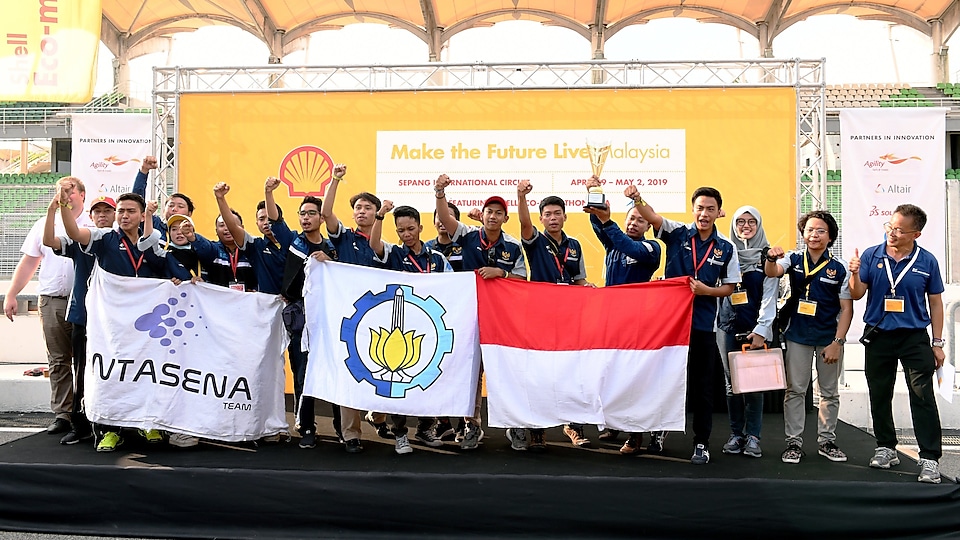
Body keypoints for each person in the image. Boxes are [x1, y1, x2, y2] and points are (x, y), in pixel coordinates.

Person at [629, 185, 740, 464]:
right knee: (662, 381)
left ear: (718, 213)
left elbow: (729, 287)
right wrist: (636, 199)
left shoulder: (726, 247)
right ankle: (657, 432)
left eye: (710, 209)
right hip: (669, 324)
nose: (704, 214)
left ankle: (701, 442)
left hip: (702, 326)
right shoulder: (677, 233)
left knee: (702, 388)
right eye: (700, 208)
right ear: (693, 209)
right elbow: (651, 217)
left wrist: (707, 291)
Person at [60, 189, 166, 452]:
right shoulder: (105, 237)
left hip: (142, 325)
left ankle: (148, 421)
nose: (124, 215)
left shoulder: (151, 242)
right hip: (109, 326)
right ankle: (108, 430)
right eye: (121, 211)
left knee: (145, 371)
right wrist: (62, 205)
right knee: (109, 374)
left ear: (143, 215)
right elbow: (74, 234)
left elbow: (169, 268)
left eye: (131, 211)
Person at [848, 204, 945, 484]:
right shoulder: (871, 254)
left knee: (922, 396)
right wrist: (854, 273)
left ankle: (929, 458)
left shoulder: (927, 261)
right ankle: (885, 447)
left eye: (900, 229)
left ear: (916, 234)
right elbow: (856, 294)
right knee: (879, 392)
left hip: (914, 337)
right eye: (890, 226)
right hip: (878, 335)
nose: (893, 233)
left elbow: (936, 303)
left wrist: (937, 342)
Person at [435, 173, 527, 450]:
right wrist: (439, 193)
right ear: (483, 214)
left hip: (501, 319)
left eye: (499, 213)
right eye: (489, 211)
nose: (493, 216)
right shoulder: (466, 235)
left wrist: (501, 272)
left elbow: (523, 281)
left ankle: (515, 425)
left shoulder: (512, 246)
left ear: (504, 219)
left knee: (506, 372)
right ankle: (471, 426)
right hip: (469, 317)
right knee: (470, 373)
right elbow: (447, 219)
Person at [3, 177, 91, 438]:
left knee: (86, 360)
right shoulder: (44, 224)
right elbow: (29, 262)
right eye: (59, 192)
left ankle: (85, 411)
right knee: (58, 360)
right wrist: (12, 293)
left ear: (82, 195)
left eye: (70, 191)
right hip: (52, 299)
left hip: (84, 301)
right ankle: (62, 414)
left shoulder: (93, 224)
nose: (64, 196)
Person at [764, 210, 852, 465]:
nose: (814, 235)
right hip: (798, 335)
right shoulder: (793, 257)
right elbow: (772, 272)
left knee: (829, 392)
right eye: (810, 230)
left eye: (821, 230)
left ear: (831, 236)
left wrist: (838, 342)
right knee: (795, 390)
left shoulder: (840, 267)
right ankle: (794, 442)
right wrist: (770, 258)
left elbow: (847, 308)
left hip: (828, 337)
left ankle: (826, 441)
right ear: (803, 233)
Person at [319, 164, 397, 450]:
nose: (361, 211)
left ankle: (377, 414)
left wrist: (381, 217)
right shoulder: (344, 236)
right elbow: (326, 214)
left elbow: (378, 249)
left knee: (384, 366)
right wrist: (335, 180)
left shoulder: (383, 244)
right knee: (349, 371)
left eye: (368, 208)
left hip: (377, 316)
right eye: (358, 208)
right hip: (347, 315)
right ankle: (351, 433)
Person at [583, 178, 663, 455]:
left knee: (633, 377)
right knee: (610, 372)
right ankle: (614, 423)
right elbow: (600, 228)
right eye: (630, 218)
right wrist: (593, 195)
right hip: (610, 319)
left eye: (640, 220)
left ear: (648, 226)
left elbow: (629, 246)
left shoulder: (652, 249)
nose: (634, 223)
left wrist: (607, 222)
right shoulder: (613, 244)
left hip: (637, 323)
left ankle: (637, 434)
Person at [508, 179, 589, 453]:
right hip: (540, 315)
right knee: (539, 372)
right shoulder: (534, 241)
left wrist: (587, 289)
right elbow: (523, 225)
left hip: (568, 316)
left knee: (571, 371)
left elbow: (579, 280)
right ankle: (537, 430)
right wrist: (521, 197)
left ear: (565, 216)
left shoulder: (575, 245)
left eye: (557, 213)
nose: (553, 218)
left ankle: (573, 426)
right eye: (547, 214)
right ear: (541, 218)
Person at [375, 204, 453, 454]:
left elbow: (453, 287)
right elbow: (374, 246)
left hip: (430, 328)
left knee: (429, 380)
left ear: (420, 227)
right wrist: (380, 215)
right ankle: (400, 433)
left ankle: (425, 428)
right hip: (400, 328)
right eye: (400, 230)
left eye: (410, 229)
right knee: (399, 380)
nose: (406, 234)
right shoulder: (394, 254)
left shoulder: (437, 258)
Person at [716, 206, 778, 459]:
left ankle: (753, 437)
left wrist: (762, 329)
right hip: (727, 327)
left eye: (751, 221)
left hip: (755, 330)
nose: (746, 226)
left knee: (754, 386)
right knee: (732, 385)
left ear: (759, 224)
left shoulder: (768, 257)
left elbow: (770, 296)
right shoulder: (724, 253)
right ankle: (735, 435)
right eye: (740, 221)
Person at [280, 196, 341, 450]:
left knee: (334, 371)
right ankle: (306, 426)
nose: (306, 218)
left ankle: (341, 428)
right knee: (302, 373)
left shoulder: (331, 247)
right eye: (302, 213)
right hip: (300, 319)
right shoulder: (294, 241)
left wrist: (330, 263)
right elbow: (275, 220)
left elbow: (342, 279)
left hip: (328, 319)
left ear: (321, 217)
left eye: (311, 213)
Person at [423, 202, 465, 441]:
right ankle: (442, 422)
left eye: (449, 217)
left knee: (457, 371)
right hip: (432, 321)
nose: (442, 221)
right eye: (439, 216)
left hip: (461, 316)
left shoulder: (466, 246)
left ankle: (461, 423)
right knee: (436, 371)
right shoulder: (425, 249)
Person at [213, 177, 294, 294]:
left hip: (296, 306)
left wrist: (268, 193)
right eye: (261, 219)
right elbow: (233, 227)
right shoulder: (256, 246)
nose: (266, 222)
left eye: (268, 218)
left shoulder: (295, 240)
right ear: (257, 224)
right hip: (268, 307)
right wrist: (220, 199)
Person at [133, 155, 195, 237]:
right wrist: (144, 171)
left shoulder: (194, 239)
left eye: (180, 206)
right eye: (171, 205)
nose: (174, 209)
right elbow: (136, 202)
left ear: (189, 213)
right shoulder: (155, 225)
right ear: (163, 210)